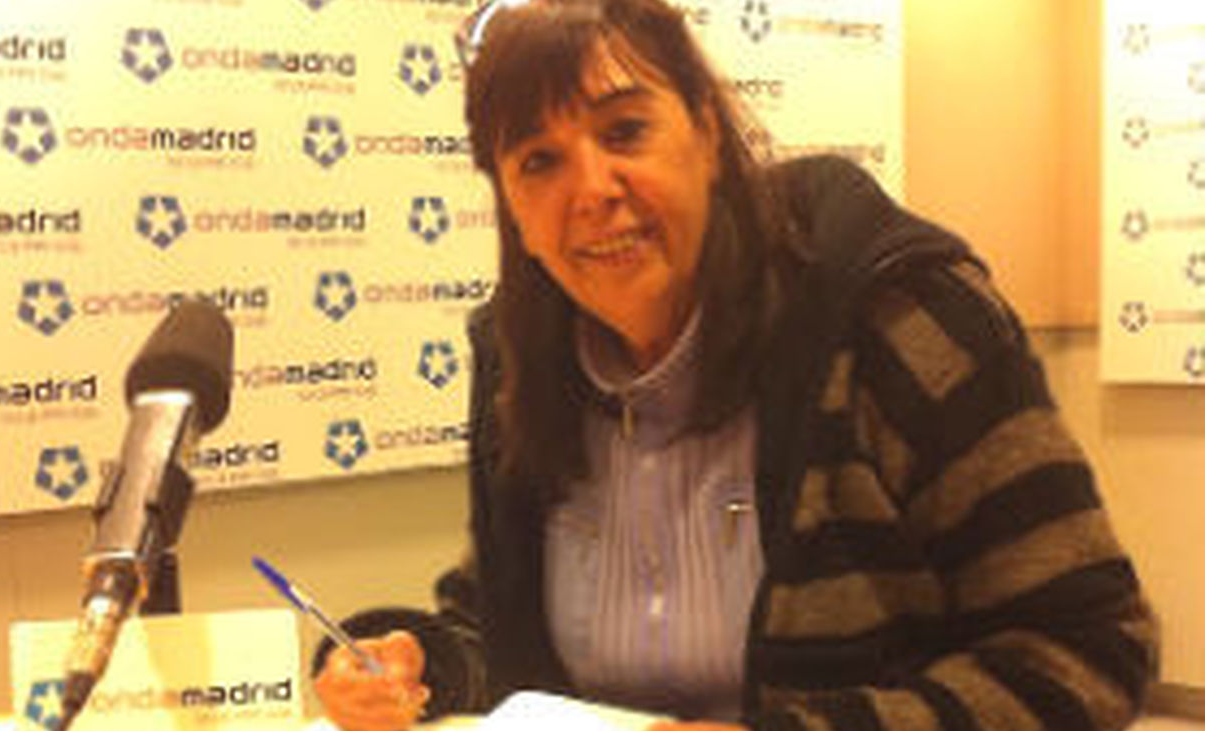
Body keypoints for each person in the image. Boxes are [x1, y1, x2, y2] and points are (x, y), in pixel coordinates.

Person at [313, 1, 1158, 729]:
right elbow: (505, 627)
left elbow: (1087, 650)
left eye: (625, 131)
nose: (593, 188)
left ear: (708, 136)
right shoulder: (516, 368)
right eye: (539, 160)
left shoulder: (899, 320)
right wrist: (413, 664)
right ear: (512, 210)